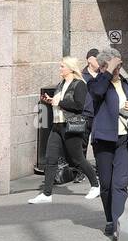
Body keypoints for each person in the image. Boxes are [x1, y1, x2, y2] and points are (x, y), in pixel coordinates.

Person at [28, 57, 100, 204]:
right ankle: (47, 194)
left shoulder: (79, 84)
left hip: (70, 126)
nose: (60, 69)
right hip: (57, 125)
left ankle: (95, 185)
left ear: (70, 68)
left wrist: (59, 102)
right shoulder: (61, 84)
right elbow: (59, 103)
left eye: (62, 66)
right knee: (50, 158)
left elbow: (79, 106)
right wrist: (50, 101)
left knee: (77, 159)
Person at [87, 49, 128, 237]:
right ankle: (110, 218)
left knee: (119, 183)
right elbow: (97, 92)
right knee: (107, 184)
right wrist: (108, 71)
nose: (117, 69)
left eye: (118, 65)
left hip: (124, 139)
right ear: (103, 67)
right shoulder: (96, 83)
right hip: (103, 139)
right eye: (110, 66)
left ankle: (120, 226)